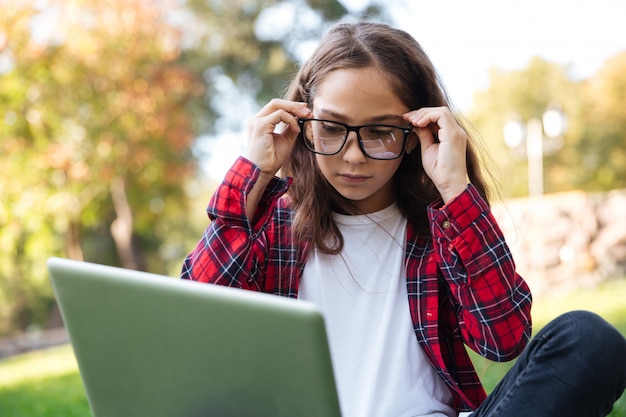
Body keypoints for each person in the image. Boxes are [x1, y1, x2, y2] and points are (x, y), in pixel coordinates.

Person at [181, 21, 626, 417]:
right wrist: (251, 174)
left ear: (415, 135)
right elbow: (192, 325)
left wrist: (456, 190)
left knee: (590, 342)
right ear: (304, 123)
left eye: (380, 132)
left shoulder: (442, 226)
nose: (353, 156)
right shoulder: (274, 221)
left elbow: (503, 337)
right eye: (332, 128)